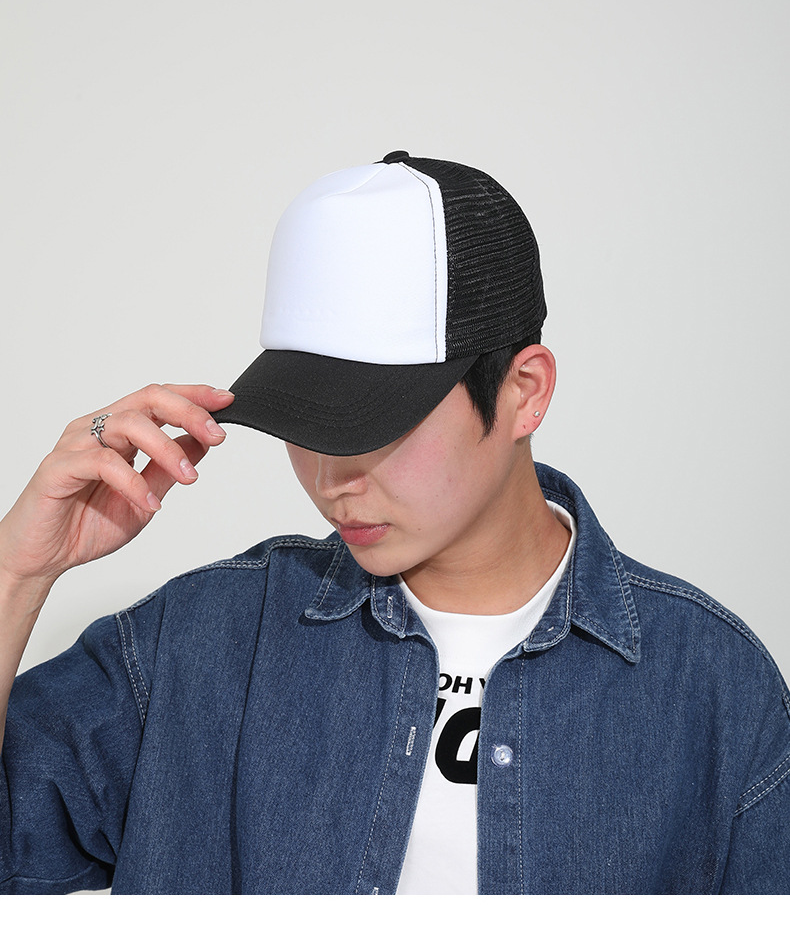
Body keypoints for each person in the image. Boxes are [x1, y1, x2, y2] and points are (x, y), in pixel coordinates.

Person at [1, 151, 788, 895]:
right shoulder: (201, 644)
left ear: (524, 392)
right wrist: (17, 569)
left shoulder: (714, 690)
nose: (331, 479)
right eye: (303, 423)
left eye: (373, 425)